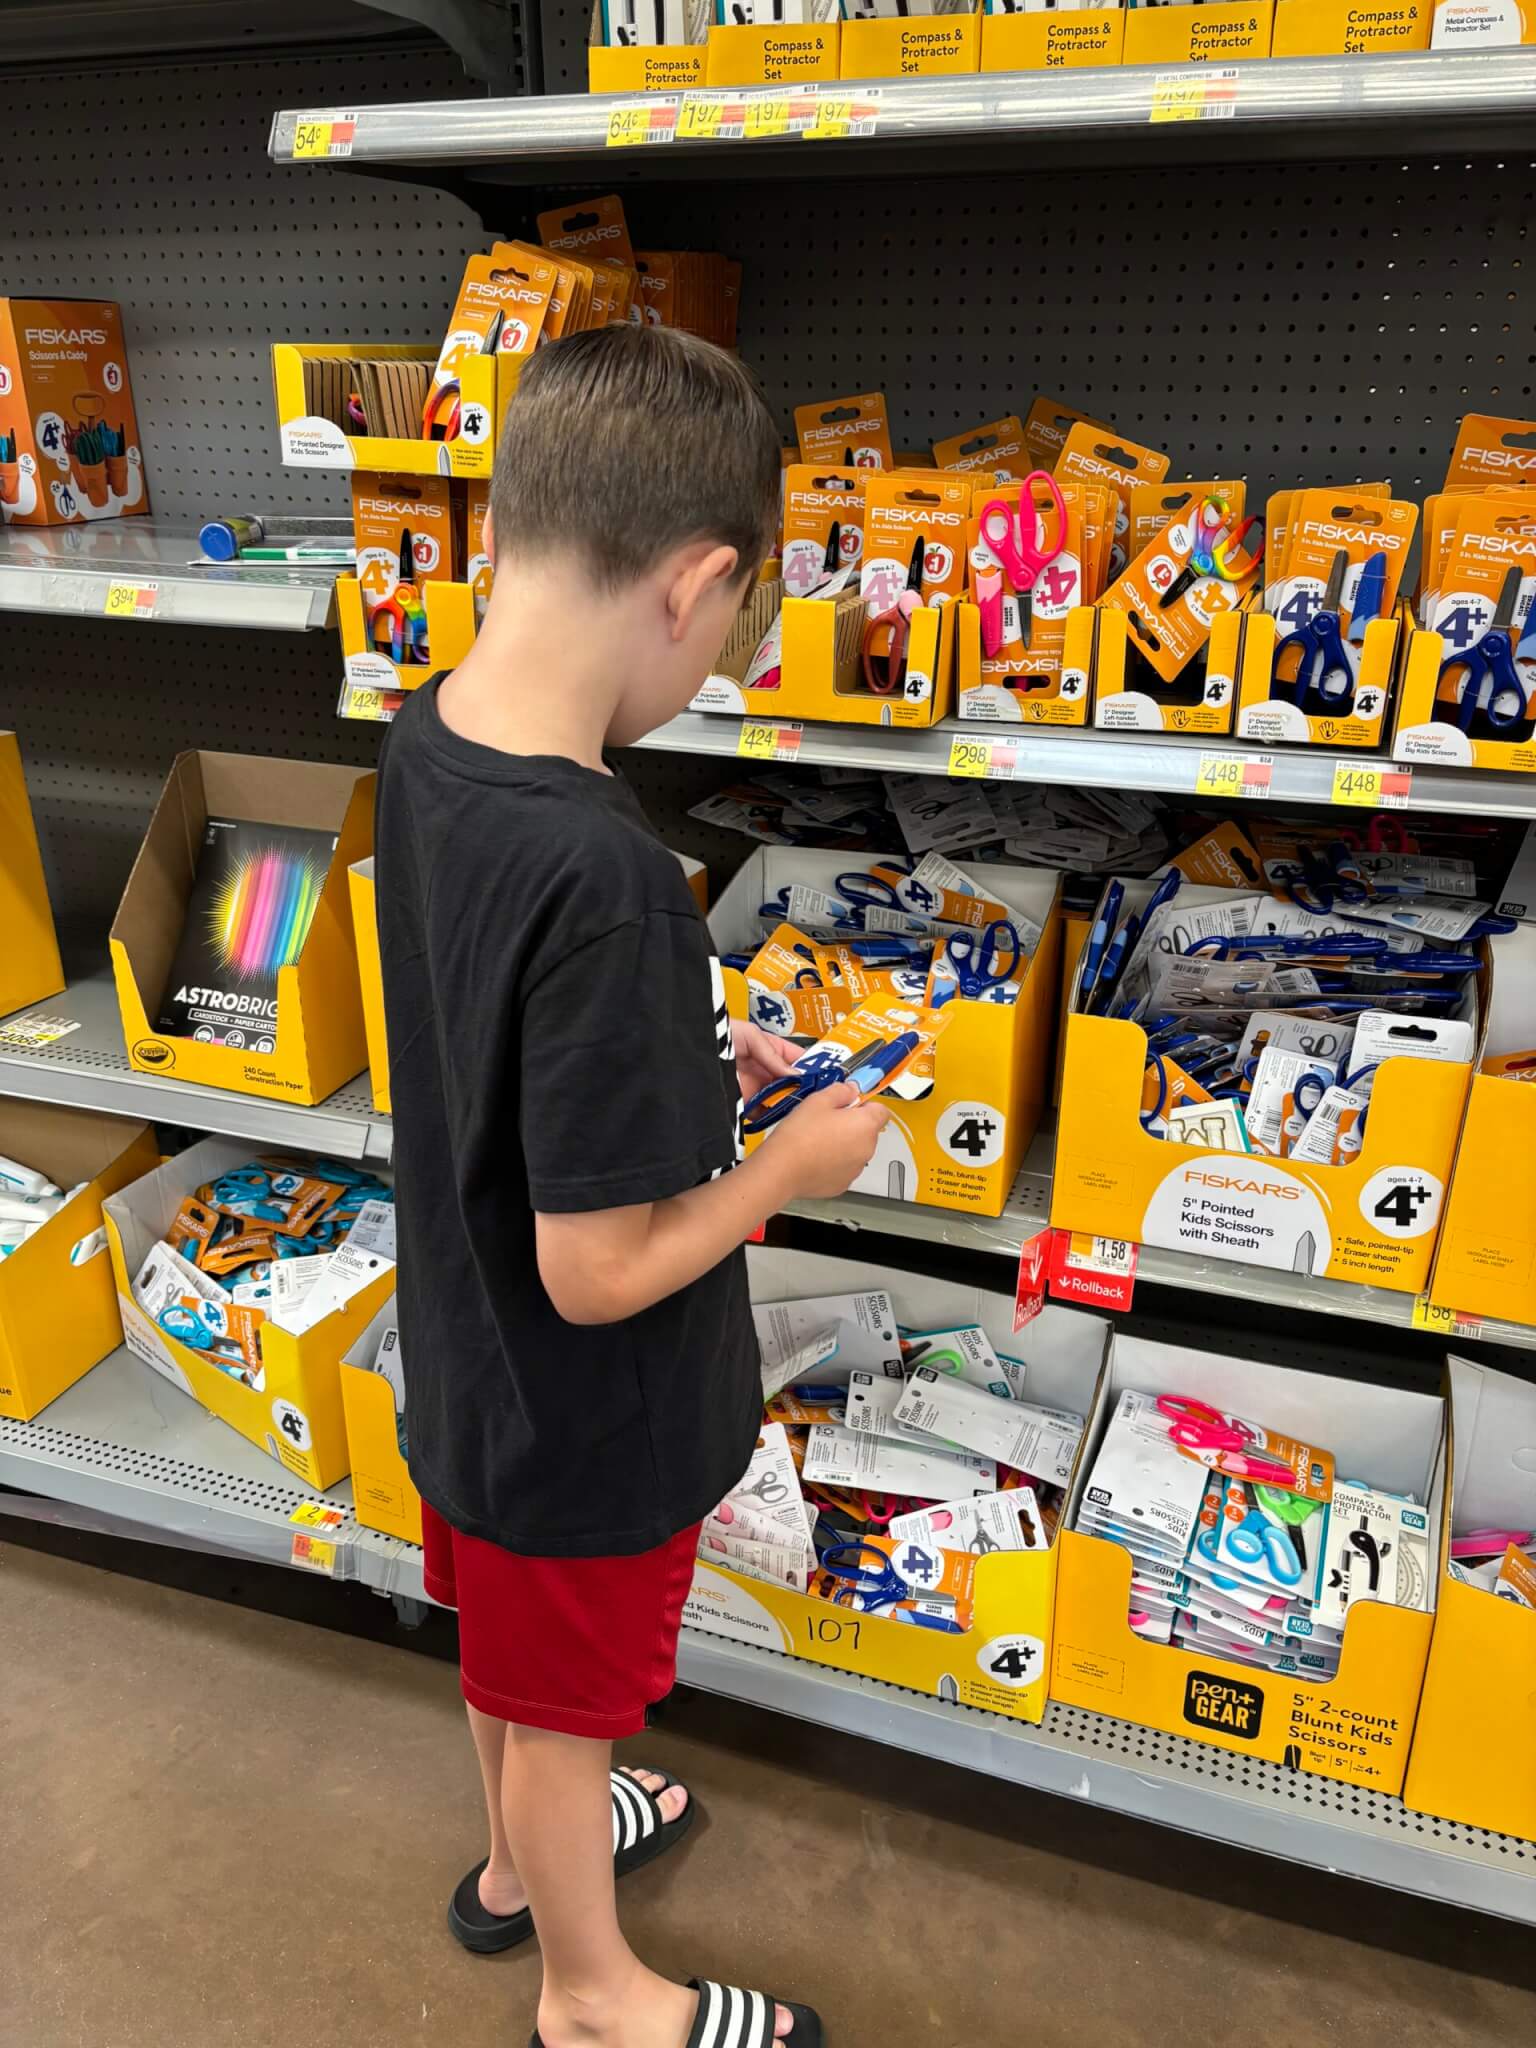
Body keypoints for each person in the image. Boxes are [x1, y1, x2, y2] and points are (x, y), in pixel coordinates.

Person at [375, 322, 889, 2048]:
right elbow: (601, 1272)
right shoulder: (608, 877)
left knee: (506, 1675)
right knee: (567, 1702)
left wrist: (683, 1059)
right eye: (733, 628)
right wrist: (791, 1162)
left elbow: (499, 1037)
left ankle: (529, 1870)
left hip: (465, 1364)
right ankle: (594, 1999)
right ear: (699, 585)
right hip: (581, 1416)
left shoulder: (430, 735)